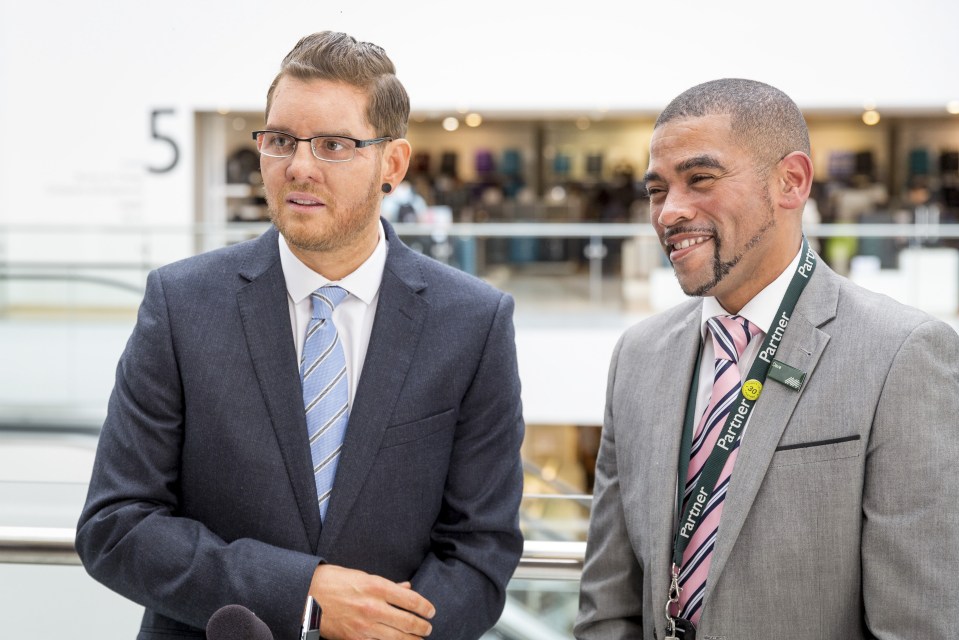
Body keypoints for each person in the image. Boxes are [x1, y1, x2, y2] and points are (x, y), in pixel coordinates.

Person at [76, 31, 525, 640]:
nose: (299, 167)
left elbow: (480, 549)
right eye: (281, 140)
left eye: (334, 145)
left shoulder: (473, 321)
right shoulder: (181, 304)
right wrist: (303, 595)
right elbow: (116, 524)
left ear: (392, 163)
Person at [575, 78, 959, 639]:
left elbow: (918, 624)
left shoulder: (901, 354)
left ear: (791, 181)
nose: (668, 213)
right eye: (657, 190)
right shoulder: (638, 356)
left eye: (700, 179)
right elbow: (608, 600)